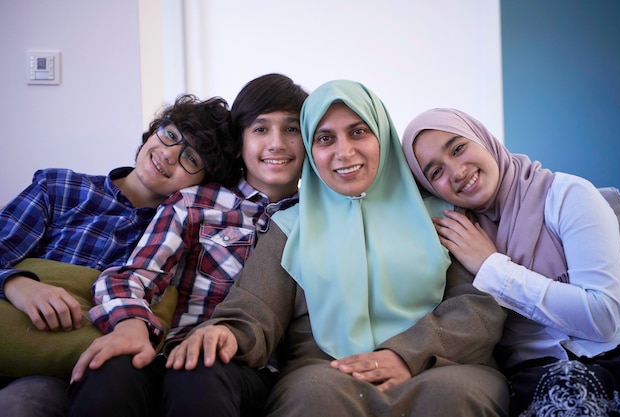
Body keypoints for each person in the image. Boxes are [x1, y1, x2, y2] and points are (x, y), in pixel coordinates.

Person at [166, 80, 509, 416]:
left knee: (454, 397)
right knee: (313, 398)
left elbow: (478, 305)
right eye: (325, 138)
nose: (344, 152)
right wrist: (227, 331)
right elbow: (256, 306)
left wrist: (406, 354)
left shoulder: (442, 214)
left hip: (441, 364)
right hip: (330, 370)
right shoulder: (290, 227)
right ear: (311, 153)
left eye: (358, 132)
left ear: (383, 135)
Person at [67, 73, 308, 417]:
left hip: (246, 367)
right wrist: (131, 324)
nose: (277, 143)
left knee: (199, 373)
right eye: (260, 129)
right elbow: (131, 276)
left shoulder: (314, 219)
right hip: (168, 349)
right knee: (109, 368)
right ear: (239, 142)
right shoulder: (195, 203)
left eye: (292, 129)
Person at [0, 94, 238, 417]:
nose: (168, 155)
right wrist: (18, 285)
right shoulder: (60, 187)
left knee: (19, 407)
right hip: (14, 334)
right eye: (169, 135)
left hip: (72, 374)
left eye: (190, 158)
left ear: (204, 184)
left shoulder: (182, 235)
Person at [401, 107, 620, 416]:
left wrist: (492, 266)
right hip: (536, 377)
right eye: (435, 172)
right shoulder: (457, 232)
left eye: (458, 148)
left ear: (482, 138)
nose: (457, 171)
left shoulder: (567, 196)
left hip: (614, 358)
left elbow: (602, 317)